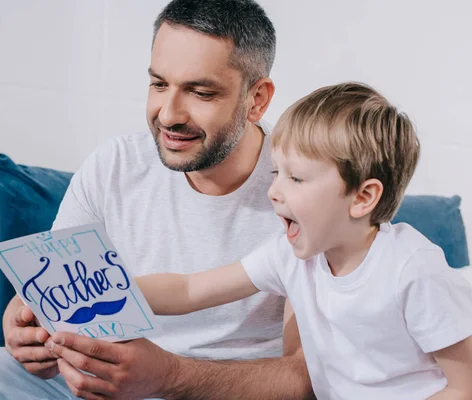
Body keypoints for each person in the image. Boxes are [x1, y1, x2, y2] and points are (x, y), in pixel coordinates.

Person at [0, 0, 317, 399]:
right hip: (106, 378)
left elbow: (303, 378)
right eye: (158, 84)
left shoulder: (302, 186)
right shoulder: (115, 164)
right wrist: (25, 322)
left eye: (200, 92)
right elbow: (52, 286)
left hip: (222, 389)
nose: (168, 114)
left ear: (256, 99)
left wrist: (170, 376)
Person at [122, 82, 472, 399]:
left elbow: (463, 386)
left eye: (297, 178)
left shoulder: (413, 269)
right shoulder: (291, 256)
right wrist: (106, 297)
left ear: (363, 197)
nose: (274, 191)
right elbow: (189, 290)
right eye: (277, 173)